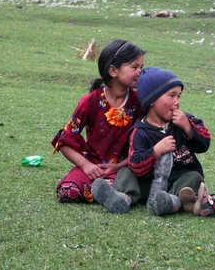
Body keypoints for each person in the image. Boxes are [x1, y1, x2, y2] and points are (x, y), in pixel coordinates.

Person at [51, 40, 145, 210]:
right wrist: (86, 166)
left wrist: (117, 166)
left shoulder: (139, 103)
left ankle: (109, 192)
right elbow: (64, 141)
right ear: (113, 70)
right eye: (134, 67)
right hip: (92, 168)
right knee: (68, 191)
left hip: (123, 169)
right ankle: (104, 193)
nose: (140, 72)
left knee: (123, 184)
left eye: (141, 67)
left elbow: (146, 145)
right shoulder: (91, 101)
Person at [127, 67, 211, 215]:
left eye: (179, 96)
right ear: (152, 100)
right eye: (171, 95)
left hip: (180, 180)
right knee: (125, 172)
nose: (177, 102)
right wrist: (156, 151)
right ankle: (124, 198)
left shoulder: (186, 120)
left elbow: (204, 144)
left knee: (195, 177)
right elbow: (136, 165)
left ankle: (172, 201)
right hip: (150, 182)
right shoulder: (139, 131)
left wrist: (188, 128)